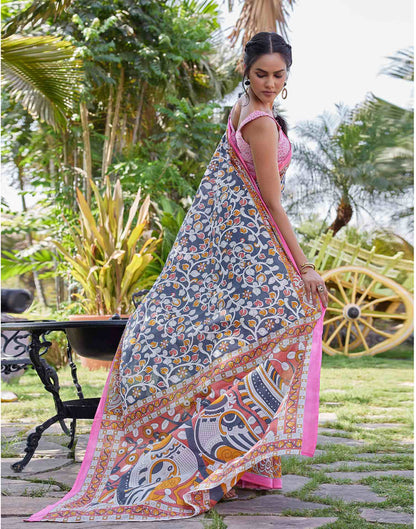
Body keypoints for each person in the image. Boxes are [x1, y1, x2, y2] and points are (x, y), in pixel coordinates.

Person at [29, 31, 328, 523]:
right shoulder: (259, 123)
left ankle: (227, 464)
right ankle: (216, 463)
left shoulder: (241, 109)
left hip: (238, 249)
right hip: (251, 249)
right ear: (246, 70)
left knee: (234, 348)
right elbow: (272, 202)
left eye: (279, 75)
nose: (270, 83)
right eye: (261, 74)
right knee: (274, 333)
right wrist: (307, 267)